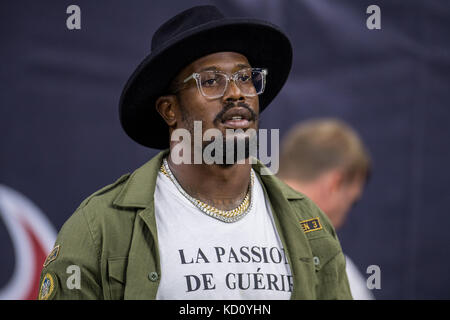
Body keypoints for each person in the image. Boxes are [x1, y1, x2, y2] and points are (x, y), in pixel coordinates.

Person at [37, 6, 352, 300]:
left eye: (245, 77)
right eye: (211, 81)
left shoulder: (309, 224)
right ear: (169, 109)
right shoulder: (101, 228)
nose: (236, 93)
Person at [277, 118, 374, 299]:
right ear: (335, 184)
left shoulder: (229, 233)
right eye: (352, 202)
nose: (344, 220)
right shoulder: (337, 274)